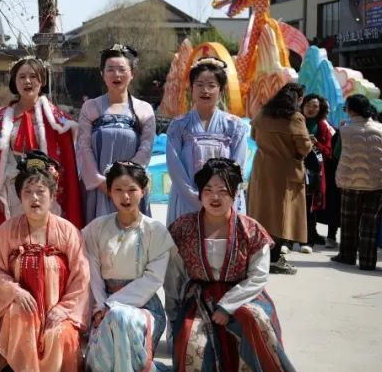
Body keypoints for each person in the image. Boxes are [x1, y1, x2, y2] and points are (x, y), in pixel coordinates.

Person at [166, 158, 352, 372]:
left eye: (223, 190)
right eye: (208, 190)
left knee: (253, 318)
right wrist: (173, 314)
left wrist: (227, 306)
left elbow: (258, 276)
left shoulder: (251, 230)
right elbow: (173, 275)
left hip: (244, 295)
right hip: (200, 297)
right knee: (191, 340)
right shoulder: (183, 228)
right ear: (200, 193)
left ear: (235, 193)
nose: (215, 197)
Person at [0, 151, 89, 372]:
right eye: (28, 192)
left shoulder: (68, 231)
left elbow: (81, 276)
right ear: (19, 197)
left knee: (59, 335)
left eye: (41, 192)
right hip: (24, 307)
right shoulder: (6, 231)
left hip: (59, 309)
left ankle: (49, 371)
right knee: (18, 315)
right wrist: (15, 292)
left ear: (52, 196)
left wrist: (63, 309)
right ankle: (23, 368)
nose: (34, 198)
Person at [0, 56, 81, 268]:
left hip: (43, 188)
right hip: (12, 188)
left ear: (42, 81)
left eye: (33, 76)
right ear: (14, 81)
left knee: (44, 236)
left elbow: (65, 161)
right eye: (22, 76)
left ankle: (45, 273)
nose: (27, 81)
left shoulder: (57, 119)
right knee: (15, 235)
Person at [81, 161, 173, 372]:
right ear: (109, 191)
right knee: (98, 369)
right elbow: (93, 272)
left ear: (143, 190)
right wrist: (100, 306)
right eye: (118, 190)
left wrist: (111, 305)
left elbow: (153, 279)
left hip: (144, 307)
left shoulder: (155, 231)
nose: (125, 196)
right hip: (102, 305)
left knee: (120, 316)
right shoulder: (96, 228)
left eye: (132, 189)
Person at [77, 44, 157, 225]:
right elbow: (83, 146)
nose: (116, 75)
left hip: (131, 188)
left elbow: (146, 147)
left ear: (132, 73)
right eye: (110, 69)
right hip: (98, 187)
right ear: (102, 73)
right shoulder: (90, 107)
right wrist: (101, 182)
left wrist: (125, 183)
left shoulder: (143, 109)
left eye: (122, 69)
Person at [165, 58, 248, 226]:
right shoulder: (179, 125)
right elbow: (175, 168)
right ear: (191, 89)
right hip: (186, 200)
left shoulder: (234, 125)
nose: (205, 90)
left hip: (224, 202)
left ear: (221, 90)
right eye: (199, 84)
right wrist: (195, 197)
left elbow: (238, 166)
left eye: (212, 85)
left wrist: (220, 197)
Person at [245, 82, 311, 275]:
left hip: (262, 169)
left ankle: (260, 256)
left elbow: (254, 136)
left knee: (261, 212)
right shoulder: (295, 118)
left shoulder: (262, 114)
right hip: (286, 171)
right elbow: (304, 147)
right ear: (298, 99)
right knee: (282, 216)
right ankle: (274, 259)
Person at [332, 94, 382, 271]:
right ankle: (368, 261)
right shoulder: (381, 128)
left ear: (350, 110)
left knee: (349, 220)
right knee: (370, 222)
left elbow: (337, 153)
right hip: (377, 183)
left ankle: (347, 255)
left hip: (349, 182)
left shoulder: (345, 129)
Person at [302, 94, 335, 247]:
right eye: (308, 105)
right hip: (296, 167)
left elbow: (328, 152)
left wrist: (317, 144)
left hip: (315, 171)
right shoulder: (296, 121)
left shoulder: (322, 126)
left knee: (312, 203)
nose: (311, 109)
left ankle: (311, 233)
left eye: (315, 106)